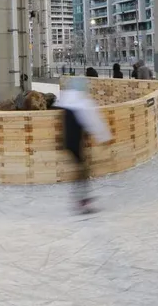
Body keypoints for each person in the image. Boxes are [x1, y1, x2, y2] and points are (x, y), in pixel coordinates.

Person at [58, 78, 112, 213]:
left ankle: (81, 199)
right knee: (83, 170)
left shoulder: (67, 100)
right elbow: (93, 121)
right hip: (75, 142)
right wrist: (105, 137)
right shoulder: (82, 103)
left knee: (81, 169)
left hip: (68, 141)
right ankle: (82, 202)